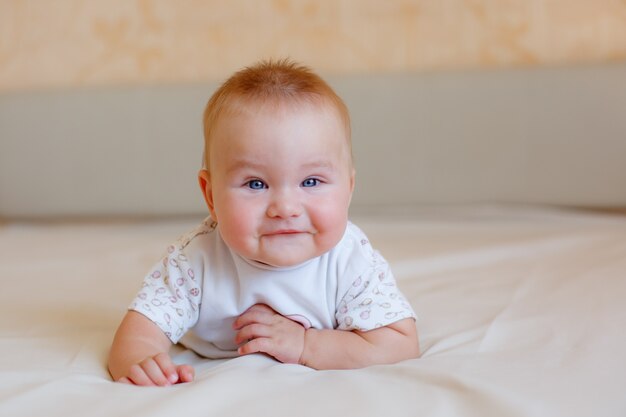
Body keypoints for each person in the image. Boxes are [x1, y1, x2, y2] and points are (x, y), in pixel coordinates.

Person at [108, 59, 419, 386]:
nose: (285, 208)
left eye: (311, 182)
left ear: (349, 190)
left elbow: (400, 345)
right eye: (256, 184)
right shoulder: (195, 260)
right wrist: (140, 360)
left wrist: (306, 345)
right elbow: (139, 333)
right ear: (211, 196)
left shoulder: (351, 260)